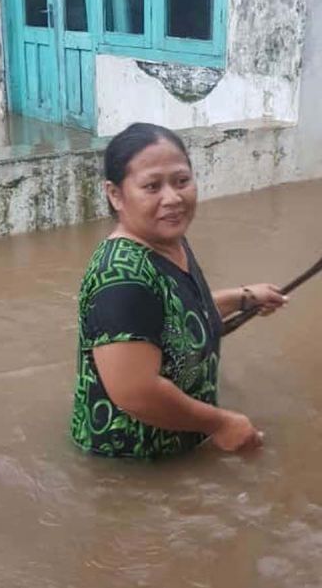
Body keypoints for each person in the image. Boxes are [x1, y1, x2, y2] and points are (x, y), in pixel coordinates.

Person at [70, 122, 288, 459]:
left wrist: (243, 297)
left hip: (181, 440)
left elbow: (176, 318)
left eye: (181, 181)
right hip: (135, 466)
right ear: (116, 195)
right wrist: (221, 424)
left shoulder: (169, 240)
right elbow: (136, 393)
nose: (172, 198)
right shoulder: (120, 281)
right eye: (152, 186)